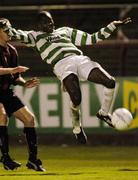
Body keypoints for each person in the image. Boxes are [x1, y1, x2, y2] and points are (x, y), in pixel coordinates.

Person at [0, 13, 131, 144]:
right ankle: (77, 127)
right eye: (46, 22)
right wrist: (5, 27)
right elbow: (15, 34)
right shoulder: (34, 36)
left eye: (51, 21)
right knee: (76, 97)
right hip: (61, 64)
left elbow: (92, 38)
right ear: (39, 25)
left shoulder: (65, 31)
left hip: (80, 59)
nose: (51, 24)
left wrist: (112, 25)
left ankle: (103, 113)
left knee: (110, 82)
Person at [0, 20, 45, 171]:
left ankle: (33, 160)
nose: (9, 32)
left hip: (6, 93)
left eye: (10, 29)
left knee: (30, 119)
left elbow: (16, 77)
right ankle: (6, 158)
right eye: (6, 30)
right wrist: (13, 69)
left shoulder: (12, 50)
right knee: (2, 116)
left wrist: (24, 83)